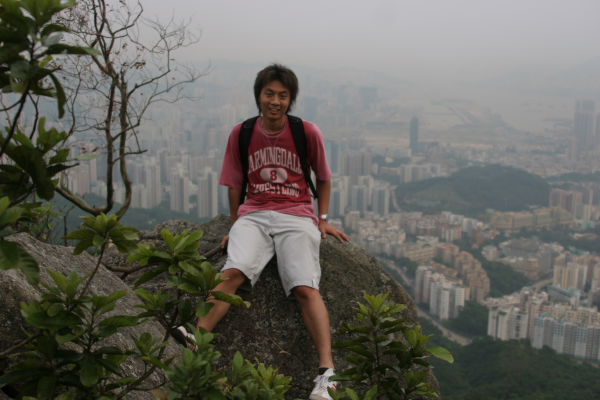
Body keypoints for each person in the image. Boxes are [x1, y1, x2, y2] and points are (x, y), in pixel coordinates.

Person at [178, 63, 349, 400]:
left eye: (283, 95)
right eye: (269, 93)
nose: (275, 101)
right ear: (258, 95)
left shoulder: (306, 132)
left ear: (291, 100)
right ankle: (198, 338)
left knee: (304, 287)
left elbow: (324, 176)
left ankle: (326, 372)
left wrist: (323, 217)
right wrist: (234, 224)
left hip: (297, 215)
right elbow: (234, 183)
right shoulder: (241, 133)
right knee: (233, 272)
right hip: (254, 214)